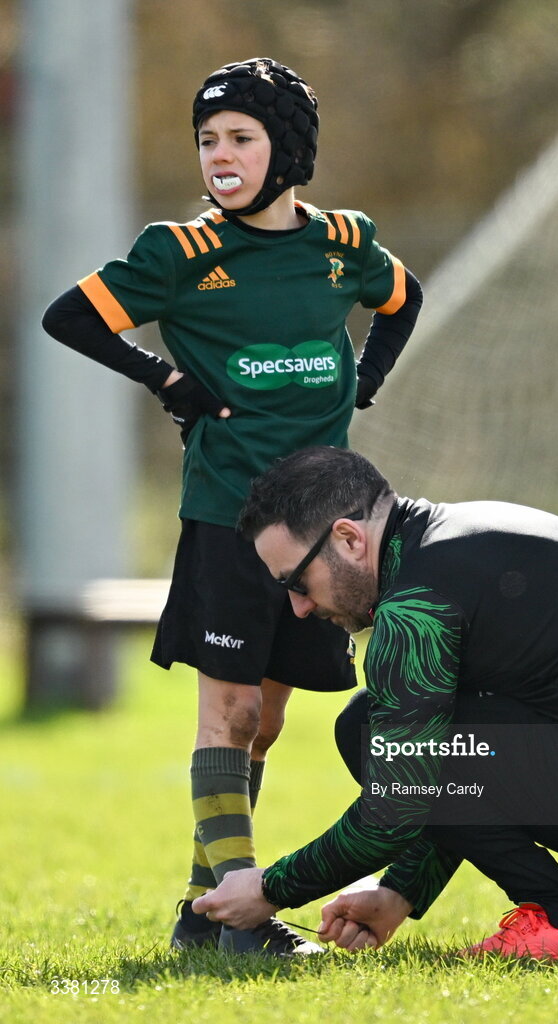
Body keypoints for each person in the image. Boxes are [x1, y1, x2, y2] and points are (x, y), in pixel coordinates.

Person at [41, 59, 422, 956]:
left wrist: (365, 382)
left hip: (326, 528)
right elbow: (71, 316)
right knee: (233, 715)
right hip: (228, 519)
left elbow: (401, 302)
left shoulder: (344, 239)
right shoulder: (178, 253)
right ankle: (239, 922)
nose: (221, 155)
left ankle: (200, 910)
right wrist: (167, 380)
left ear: (285, 149)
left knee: (275, 720)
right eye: (209, 140)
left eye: (241, 138)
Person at [192, 446, 558, 960]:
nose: (298, 608)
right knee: (480, 725)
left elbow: (396, 810)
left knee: (364, 728)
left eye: (297, 581)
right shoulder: (472, 529)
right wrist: (398, 893)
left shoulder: (415, 605)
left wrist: (269, 889)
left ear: (348, 539)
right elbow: (463, 761)